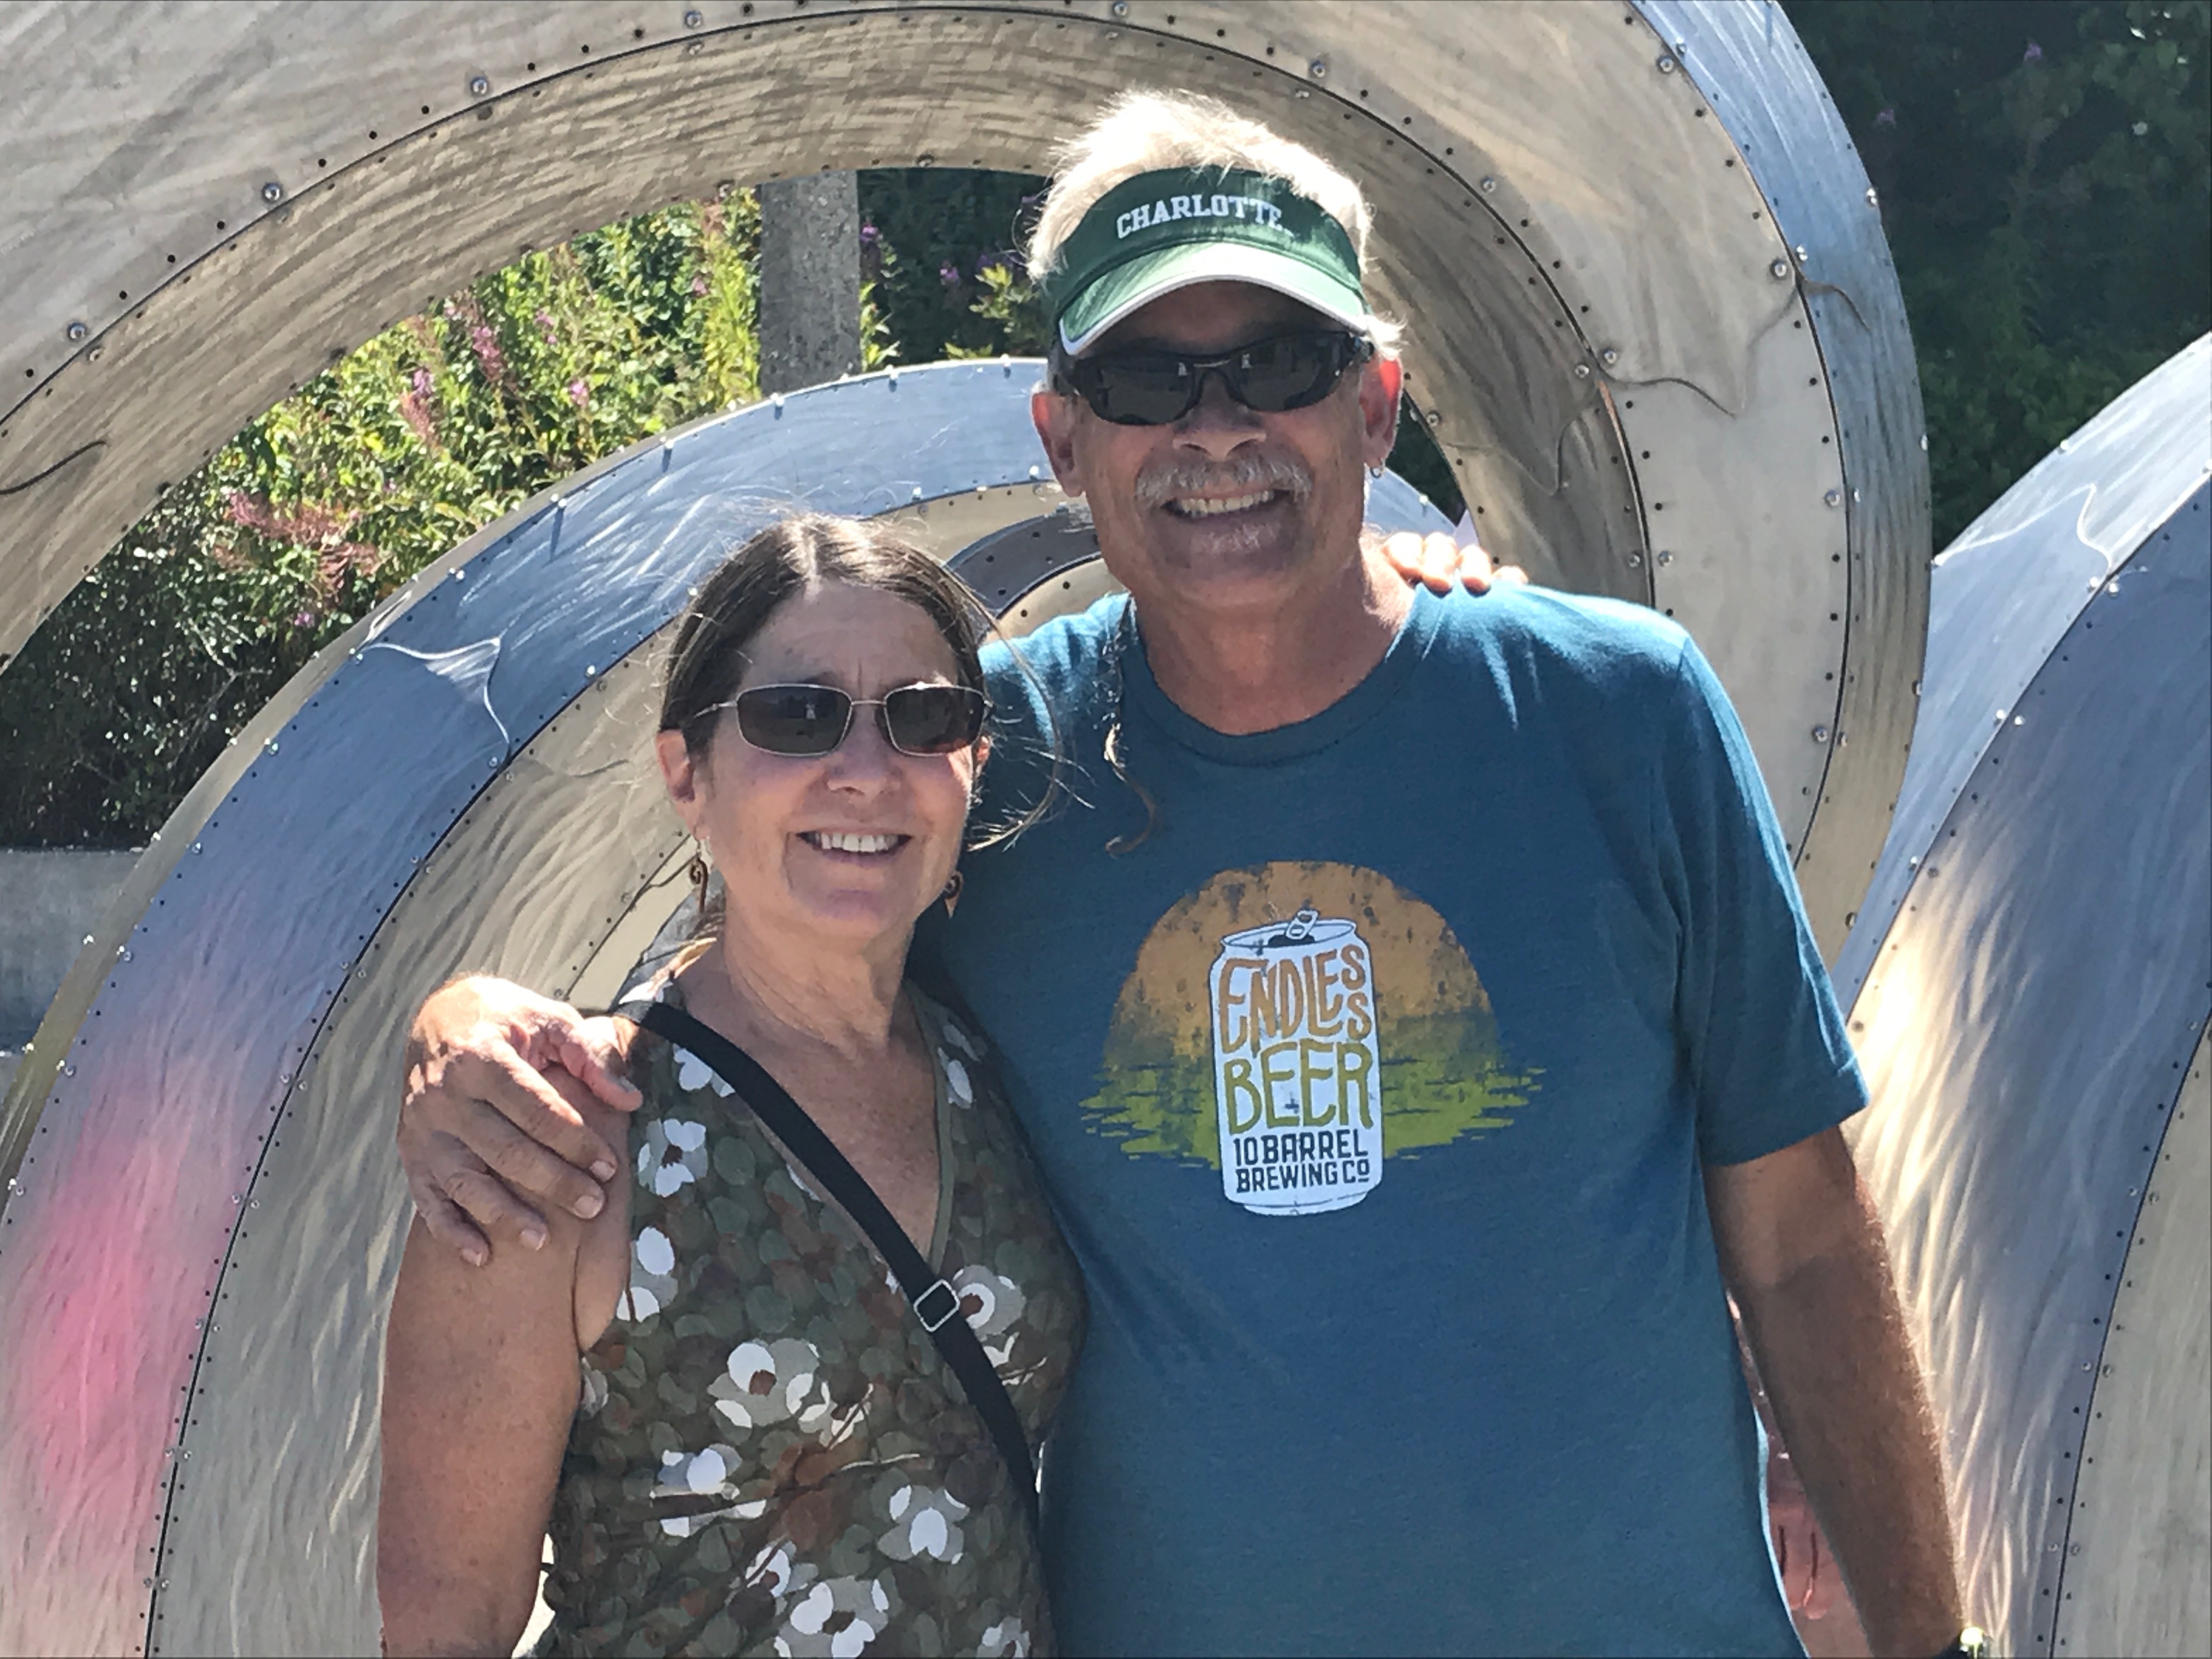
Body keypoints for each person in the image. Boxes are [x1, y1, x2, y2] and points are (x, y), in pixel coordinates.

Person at [396, 93, 1974, 1657]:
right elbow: (767, 983)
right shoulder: (991, 764)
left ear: (1376, 408)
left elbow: (1807, 1236)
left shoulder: (1619, 714)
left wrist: (1928, 1640)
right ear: (1063, 441)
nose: (1218, 429)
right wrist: (464, 1028)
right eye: (1149, 380)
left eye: (1279, 365)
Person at [378, 516, 1086, 1656]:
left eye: (922, 719)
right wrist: (446, 1017)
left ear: (974, 764)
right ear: (686, 775)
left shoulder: (998, 1062)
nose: (866, 772)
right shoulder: (560, 1134)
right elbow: (444, 1627)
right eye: (797, 716)